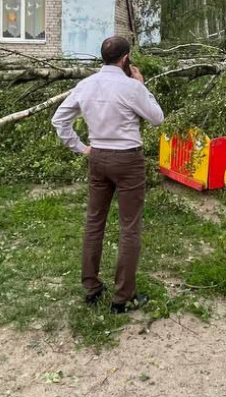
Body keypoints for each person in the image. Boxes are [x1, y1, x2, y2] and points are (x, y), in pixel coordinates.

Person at [51, 36, 164, 313]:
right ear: (126, 58)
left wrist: (80, 147)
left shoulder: (86, 85)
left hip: (98, 157)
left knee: (94, 222)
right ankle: (122, 297)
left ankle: (91, 287)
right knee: (129, 226)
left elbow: (59, 120)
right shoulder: (131, 87)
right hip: (128, 159)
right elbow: (157, 117)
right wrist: (141, 86)